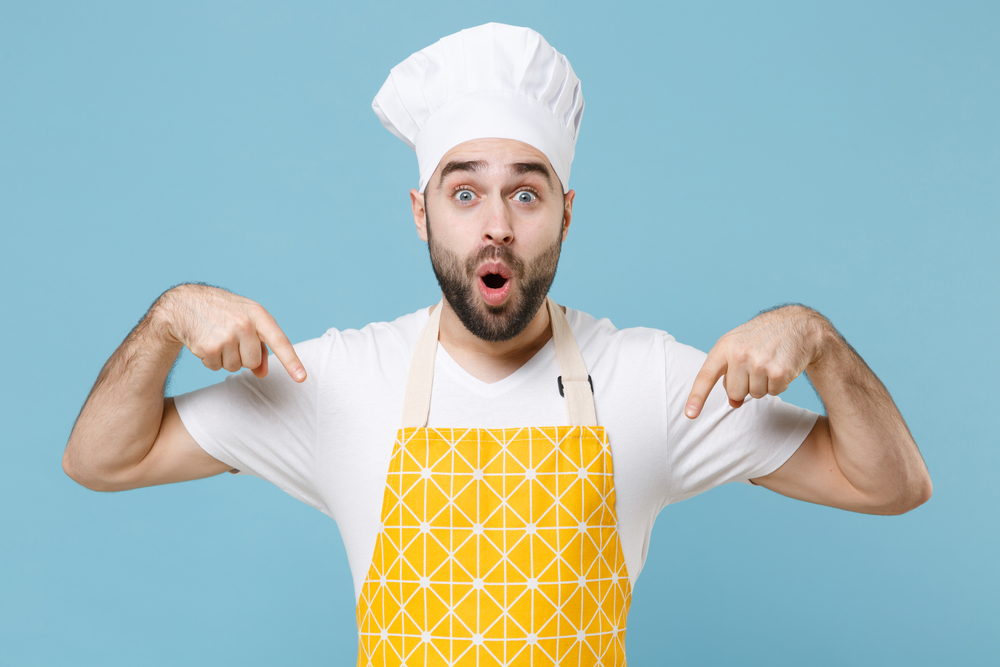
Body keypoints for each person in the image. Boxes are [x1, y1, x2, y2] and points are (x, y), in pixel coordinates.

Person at [63, 23, 931, 667]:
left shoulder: (652, 381)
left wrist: (818, 341)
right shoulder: (336, 382)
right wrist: (170, 317)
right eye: (464, 191)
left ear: (565, 210)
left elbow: (890, 483)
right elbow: (101, 457)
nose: (495, 227)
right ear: (421, 213)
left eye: (525, 194)